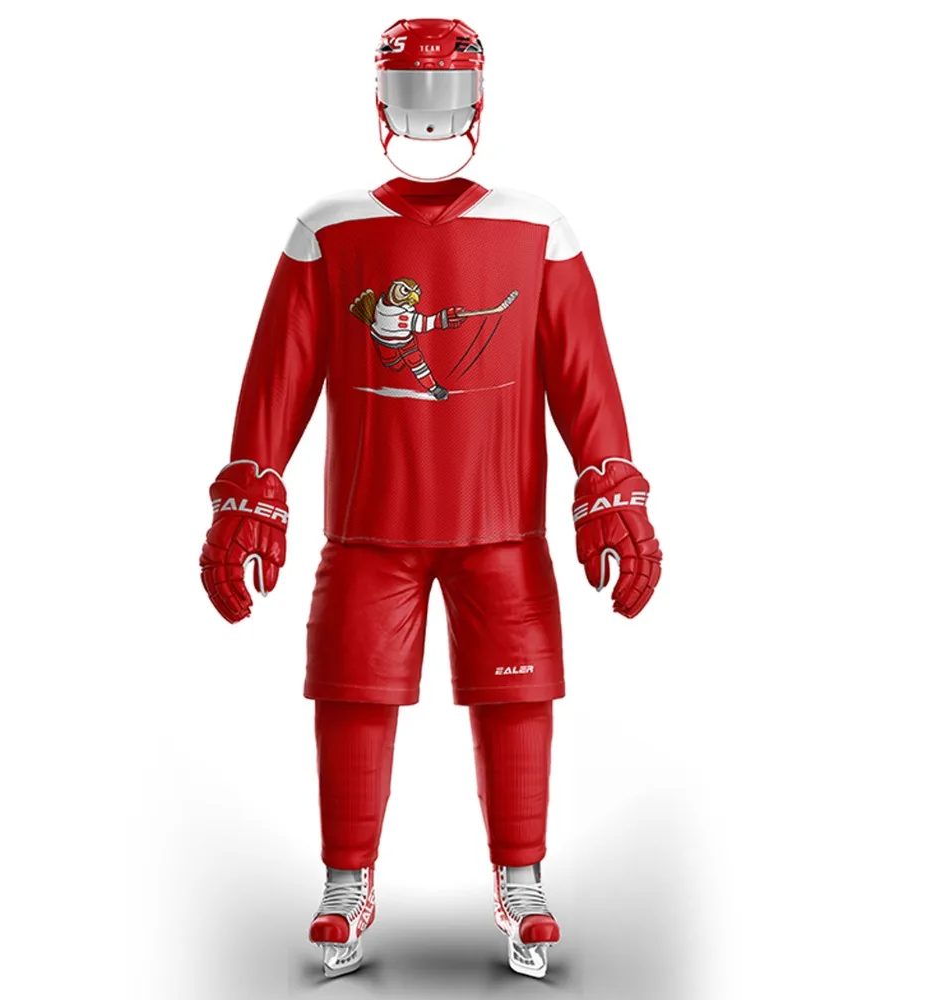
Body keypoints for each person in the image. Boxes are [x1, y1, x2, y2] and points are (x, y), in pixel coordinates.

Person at [199, 17, 662, 980]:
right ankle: (345, 881)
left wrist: (609, 480)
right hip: (370, 525)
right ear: (381, 102)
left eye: (442, 94)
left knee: (518, 692)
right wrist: (251, 485)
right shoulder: (328, 229)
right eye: (413, 94)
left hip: (503, 524)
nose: (428, 114)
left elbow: (583, 372)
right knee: (352, 692)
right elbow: (280, 372)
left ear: (478, 102)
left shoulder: (538, 227)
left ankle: (523, 879)